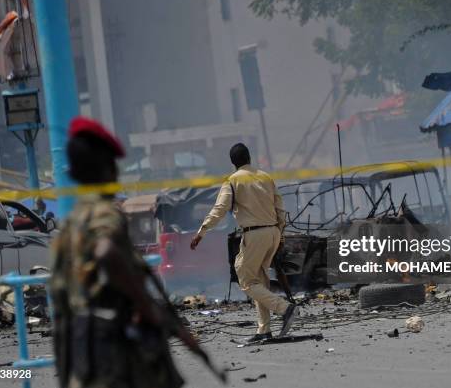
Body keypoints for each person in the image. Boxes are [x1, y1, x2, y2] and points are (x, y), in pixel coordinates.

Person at [50, 116, 184, 388]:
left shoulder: (69, 227)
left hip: (80, 353)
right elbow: (107, 252)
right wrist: (149, 308)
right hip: (112, 353)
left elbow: (61, 299)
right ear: (108, 170)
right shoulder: (105, 214)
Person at [191, 143, 297, 342]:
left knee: (246, 279)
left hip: (254, 234)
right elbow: (280, 209)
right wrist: (280, 235)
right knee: (259, 280)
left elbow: (219, 210)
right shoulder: (266, 177)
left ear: (233, 162)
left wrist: (201, 231)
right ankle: (264, 329)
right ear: (249, 157)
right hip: (273, 231)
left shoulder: (232, 181)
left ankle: (285, 309)